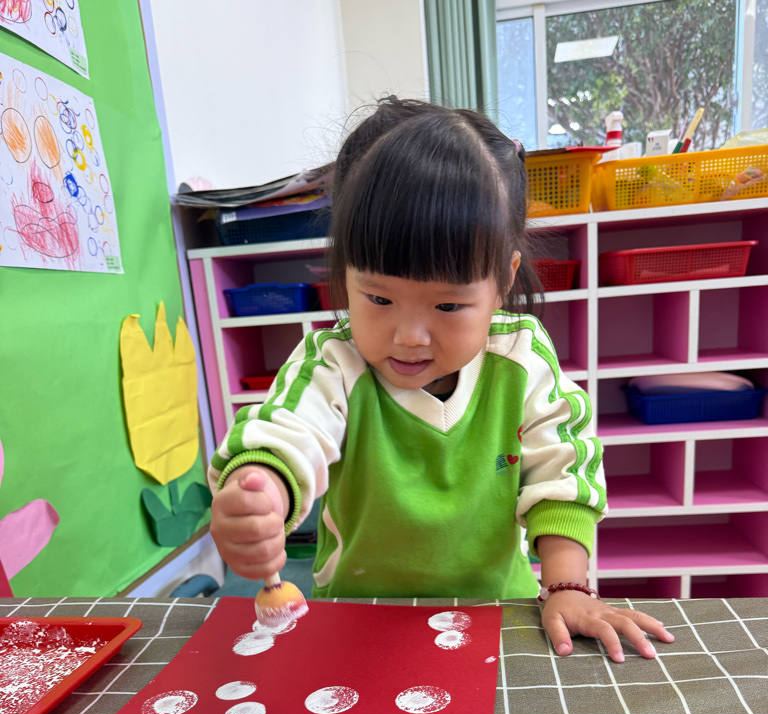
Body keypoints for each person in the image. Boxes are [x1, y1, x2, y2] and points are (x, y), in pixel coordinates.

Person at [208, 98, 674, 663]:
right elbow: (287, 434)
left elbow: (563, 473)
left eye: (449, 306)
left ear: (503, 280)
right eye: (378, 298)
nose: (409, 337)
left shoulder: (520, 357)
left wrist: (568, 586)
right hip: (359, 621)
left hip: (500, 617)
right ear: (344, 274)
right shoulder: (334, 362)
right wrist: (259, 490)